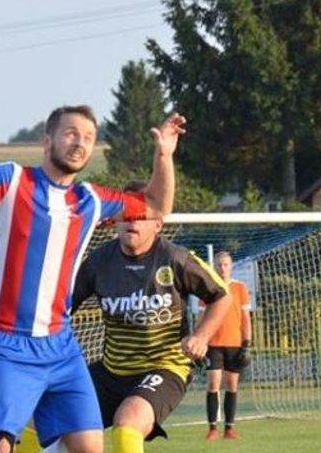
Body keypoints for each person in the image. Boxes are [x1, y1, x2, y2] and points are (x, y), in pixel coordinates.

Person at [0, 105, 186, 453]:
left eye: (88, 138)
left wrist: (163, 155)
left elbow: (158, 206)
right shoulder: (11, 180)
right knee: (0, 446)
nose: (80, 142)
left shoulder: (91, 200)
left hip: (60, 347)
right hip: (5, 342)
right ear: (47, 140)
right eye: (71, 133)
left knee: (89, 447)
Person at [70, 181, 231, 453]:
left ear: (158, 224)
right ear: (115, 220)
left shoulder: (175, 258)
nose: (132, 220)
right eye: (126, 213)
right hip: (112, 370)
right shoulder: (98, 262)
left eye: (141, 214)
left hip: (164, 368)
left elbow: (221, 295)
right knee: (45, 415)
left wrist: (201, 336)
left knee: (128, 420)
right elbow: (59, 309)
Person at [203, 251, 253, 441]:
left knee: (232, 385)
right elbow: (202, 318)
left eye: (225, 264)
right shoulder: (208, 287)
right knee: (213, 383)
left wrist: (246, 344)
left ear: (231, 266)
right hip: (213, 344)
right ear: (213, 266)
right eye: (218, 264)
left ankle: (229, 429)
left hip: (235, 344)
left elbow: (246, 319)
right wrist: (201, 341)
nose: (222, 268)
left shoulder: (240, 288)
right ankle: (213, 428)